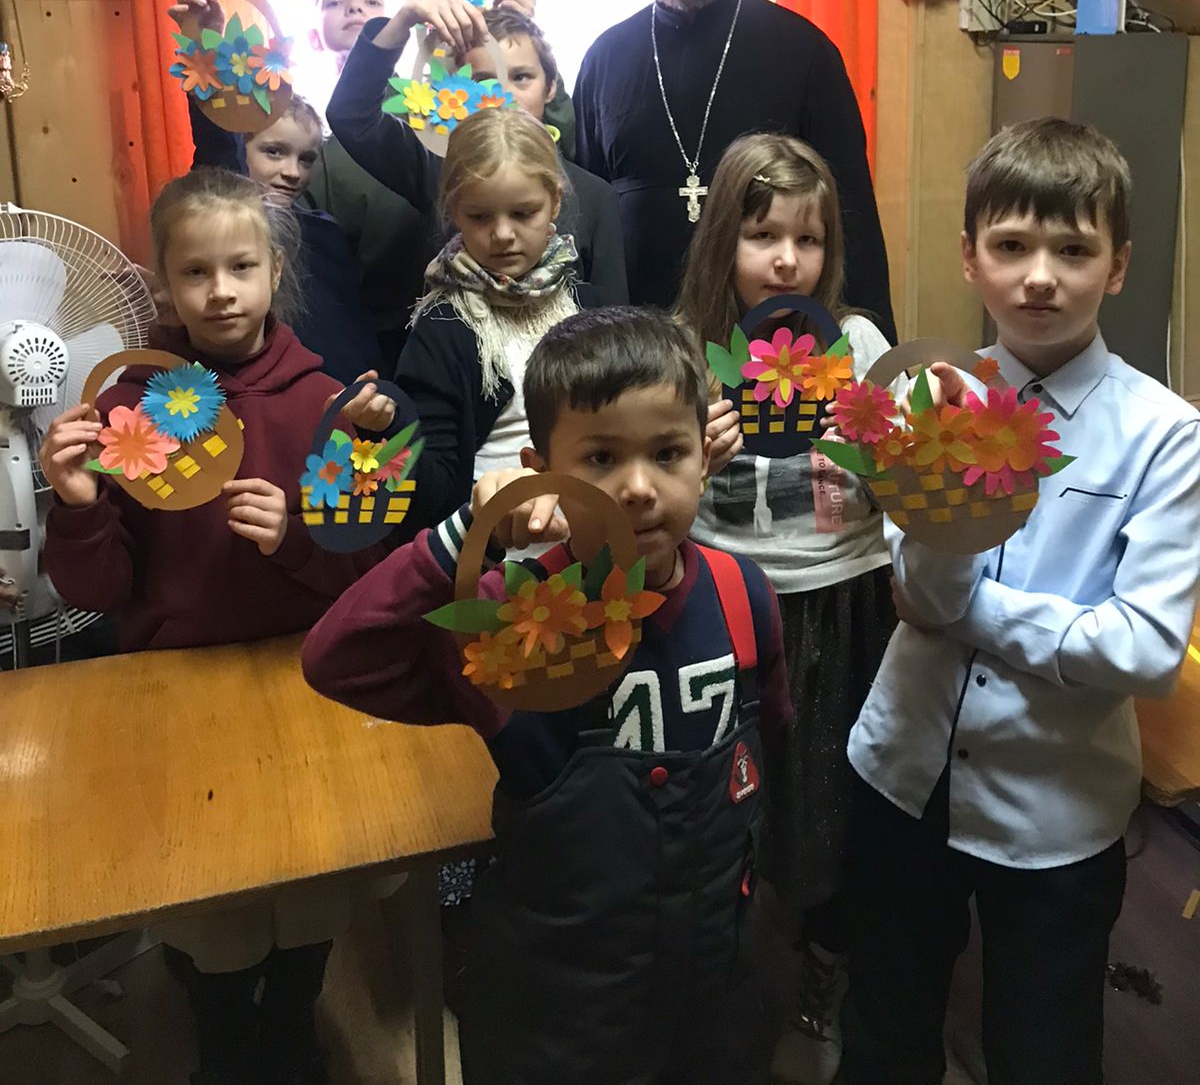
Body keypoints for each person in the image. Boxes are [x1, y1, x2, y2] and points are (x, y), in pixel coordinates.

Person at [301, 305, 792, 1085]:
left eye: (668, 453)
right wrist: (468, 531)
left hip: (715, 994)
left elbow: (770, 749)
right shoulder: (511, 615)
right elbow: (339, 658)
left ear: (706, 458)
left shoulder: (744, 594)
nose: (639, 488)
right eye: (600, 458)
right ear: (543, 469)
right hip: (561, 1016)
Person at [840, 118, 1200, 1085]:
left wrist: (967, 611)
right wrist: (944, 561)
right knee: (883, 1030)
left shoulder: (1166, 436)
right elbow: (917, 581)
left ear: (1118, 266)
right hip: (902, 770)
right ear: (970, 258)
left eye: (1073, 251)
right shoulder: (927, 400)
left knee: (1045, 1049)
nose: (1040, 277)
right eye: (1011, 246)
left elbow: (1144, 651)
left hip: (1056, 810)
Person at [40, 167, 409, 1085]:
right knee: (205, 910)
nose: (220, 291)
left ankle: (290, 1026)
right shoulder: (132, 404)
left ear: (276, 271)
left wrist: (299, 536)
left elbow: (366, 570)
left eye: (241, 266)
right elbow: (99, 587)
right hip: (173, 695)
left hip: (301, 682)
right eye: (195, 271)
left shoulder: (329, 403)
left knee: (311, 888)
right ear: (162, 283)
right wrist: (78, 505)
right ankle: (225, 1040)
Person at [675, 133, 895, 1083]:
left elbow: (907, 494)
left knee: (835, 805)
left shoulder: (862, 345)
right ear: (723, 237)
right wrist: (691, 458)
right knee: (735, 805)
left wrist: (872, 443)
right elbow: (650, 508)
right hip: (729, 610)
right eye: (762, 235)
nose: (786, 260)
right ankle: (735, 977)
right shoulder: (685, 355)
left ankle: (823, 973)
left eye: (807, 239)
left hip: (846, 603)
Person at [573, 0, 894, 338]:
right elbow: (584, 231)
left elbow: (852, 227)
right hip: (637, 357)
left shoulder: (805, 53)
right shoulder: (604, 61)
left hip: (781, 361)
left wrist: (871, 362)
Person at [171, 0, 426, 370]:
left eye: (306, 159)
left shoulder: (327, 230)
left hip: (365, 385)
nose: (292, 172)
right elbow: (220, 151)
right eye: (274, 152)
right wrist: (207, 48)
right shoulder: (240, 221)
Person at [325, 0, 628, 306]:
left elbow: (614, 318)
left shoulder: (595, 196)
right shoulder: (438, 171)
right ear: (457, 91)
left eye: (521, 77)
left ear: (550, 87)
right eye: (483, 80)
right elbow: (351, 115)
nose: (503, 95)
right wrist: (404, 19)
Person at [390, 105, 596, 536]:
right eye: (480, 217)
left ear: (555, 201)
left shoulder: (584, 304)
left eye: (523, 213)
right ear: (454, 210)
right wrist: (387, 430)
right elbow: (432, 492)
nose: (502, 234)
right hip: (493, 553)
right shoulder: (444, 325)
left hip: (586, 543)